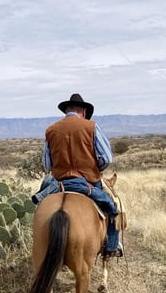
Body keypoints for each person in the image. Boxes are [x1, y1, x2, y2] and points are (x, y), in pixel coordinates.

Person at [36, 93, 123, 258]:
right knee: (113, 207)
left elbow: (47, 164)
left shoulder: (51, 130)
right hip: (88, 182)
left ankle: (42, 242)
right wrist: (96, 168)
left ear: (67, 110)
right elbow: (106, 158)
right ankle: (111, 247)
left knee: (41, 206)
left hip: (59, 183)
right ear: (83, 111)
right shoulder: (91, 126)